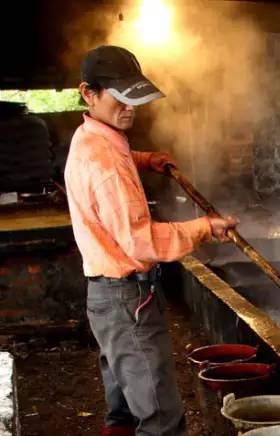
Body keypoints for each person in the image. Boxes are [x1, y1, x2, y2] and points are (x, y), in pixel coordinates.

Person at [64, 45, 237, 436]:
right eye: (120, 97)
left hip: (108, 300)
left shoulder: (91, 137)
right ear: (88, 93)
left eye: (134, 97)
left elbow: (117, 156)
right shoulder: (106, 164)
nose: (130, 107)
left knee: (123, 407)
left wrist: (146, 159)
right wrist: (205, 228)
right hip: (128, 304)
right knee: (161, 420)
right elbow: (141, 242)